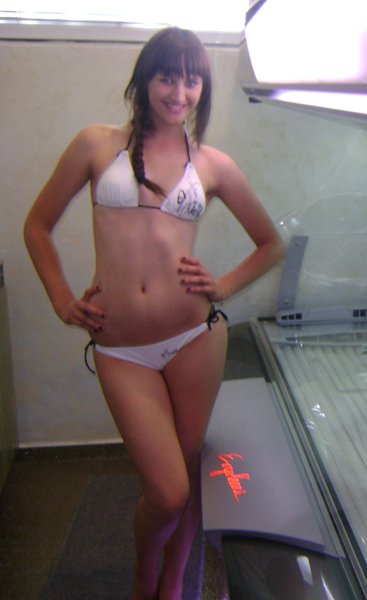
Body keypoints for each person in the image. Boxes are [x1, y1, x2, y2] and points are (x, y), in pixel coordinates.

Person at [24, 27, 285, 599]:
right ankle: (145, 578)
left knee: (188, 476)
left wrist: (222, 285)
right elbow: (37, 226)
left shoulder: (213, 164)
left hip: (194, 338)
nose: (179, 92)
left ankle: (172, 584)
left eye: (192, 81)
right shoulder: (96, 145)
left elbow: (272, 244)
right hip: (122, 348)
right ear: (145, 80)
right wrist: (62, 300)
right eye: (168, 77)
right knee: (167, 490)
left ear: (202, 88)